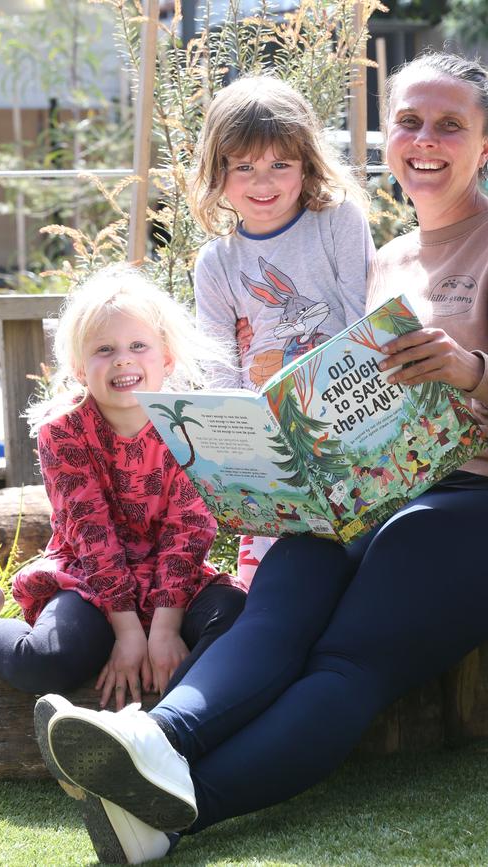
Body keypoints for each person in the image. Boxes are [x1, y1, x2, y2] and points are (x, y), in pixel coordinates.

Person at [36, 50, 488, 865]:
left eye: (450, 124)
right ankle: (153, 738)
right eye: (408, 121)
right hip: (389, 495)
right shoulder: (388, 260)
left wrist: (471, 369)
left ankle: (176, 811)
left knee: (346, 658)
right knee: (296, 568)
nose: (424, 139)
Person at [0, 266, 247, 707]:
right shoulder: (63, 432)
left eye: (138, 346)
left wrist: (164, 629)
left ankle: (177, 716)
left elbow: (188, 531)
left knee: (236, 622)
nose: (123, 360)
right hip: (91, 581)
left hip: (176, 582)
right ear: (78, 367)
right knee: (47, 661)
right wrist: (129, 632)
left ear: (165, 358)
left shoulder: (194, 426)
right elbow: (92, 534)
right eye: (104, 349)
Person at [188, 74, 375, 588]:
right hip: (274, 455)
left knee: (356, 576)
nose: (262, 183)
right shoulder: (217, 263)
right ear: (218, 172)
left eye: (280, 165)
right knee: (271, 586)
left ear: (307, 165)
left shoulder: (337, 222)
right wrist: (242, 452)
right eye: (244, 167)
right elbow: (220, 369)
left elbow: (364, 320)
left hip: (349, 430)